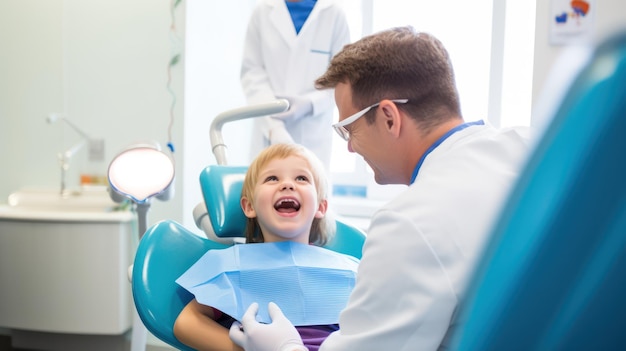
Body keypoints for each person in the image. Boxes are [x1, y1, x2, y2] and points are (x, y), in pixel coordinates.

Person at [229, 26, 533, 351]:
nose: (350, 149)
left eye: (349, 130)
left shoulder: (408, 224)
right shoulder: (531, 146)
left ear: (389, 117)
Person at [173, 143, 359, 351]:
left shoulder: (347, 270)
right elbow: (187, 323)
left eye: (302, 178)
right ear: (249, 206)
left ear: (320, 206)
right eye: (272, 178)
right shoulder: (233, 266)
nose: (288, 185)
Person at [241, 0, 351, 170]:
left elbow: (343, 80)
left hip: (313, 135)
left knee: (312, 189)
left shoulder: (334, 14)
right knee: (265, 189)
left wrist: (309, 104)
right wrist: (274, 128)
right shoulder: (262, 12)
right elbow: (252, 75)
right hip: (267, 133)